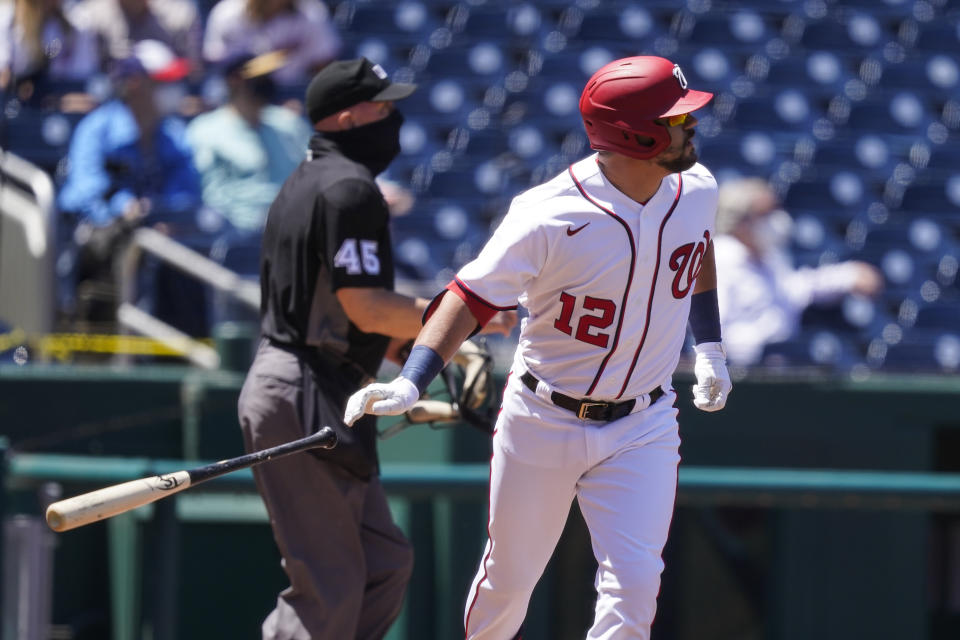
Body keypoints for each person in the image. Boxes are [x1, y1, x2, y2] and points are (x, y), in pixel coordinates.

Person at [344, 55, 733, 640]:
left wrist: (710, 348)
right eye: (677, 118)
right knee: (509, 580)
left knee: (635, 586)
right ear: (634, 132)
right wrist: (411, 379)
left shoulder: (697, 190)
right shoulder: (548, 213)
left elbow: (696, 253)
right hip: (543, 415)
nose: (691, 125)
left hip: (644, 420)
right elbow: (468, 296)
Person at [236, 57, 516, 639]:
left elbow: (343, 310)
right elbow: (364, 304)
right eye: (380, 105)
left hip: (322, 381)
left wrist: (418, 363)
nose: (393, 116)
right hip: (301, 387)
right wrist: (459, 323)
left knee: (383, 566)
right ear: (345, 116)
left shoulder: (309, 179)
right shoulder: (347, 187)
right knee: (330, 586)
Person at [56, 39, 207, 335]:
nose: (174, 89)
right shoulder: (97, 128)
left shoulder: (174, 134)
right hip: (104, 249)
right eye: (163, 81)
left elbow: (188, 193)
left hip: (164, 247)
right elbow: (84, 192)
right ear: (136, 84)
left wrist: (163, 215)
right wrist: (125, 208)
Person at [713, 177, 884, 366]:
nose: (777, 221)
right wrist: (763, 348)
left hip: (780, 367)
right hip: (740, 373)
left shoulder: (771, 256)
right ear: (741, 222)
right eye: (765, 215)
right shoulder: (719, 261)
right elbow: (712, 333)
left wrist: (850, 275)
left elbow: (797, 289)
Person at [186, 50, 311, 235]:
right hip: (239, 237)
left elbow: (314, 175)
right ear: (234, 80)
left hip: (297, 233)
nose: (267, 82)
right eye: (258, 77)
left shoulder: (290, 124)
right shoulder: (205, 130)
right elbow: (210, 196)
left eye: (268, 76)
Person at [203, 0, 341, 87]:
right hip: (240, 91)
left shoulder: (311, 12)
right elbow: (223, 68)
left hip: (293, 90)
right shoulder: (227, 13)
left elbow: (324, 65)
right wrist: (275, 59)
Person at [0, 0, 100, 102]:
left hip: (54, 95)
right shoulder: (7, 20)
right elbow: (4, 77)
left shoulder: (74, 21)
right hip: (15, 99)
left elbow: (79, 78)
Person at [67, 0, 202, 75]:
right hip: (109, 100)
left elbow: (193, 72)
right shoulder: (88, 16)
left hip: (165, 98)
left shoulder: (180, 14)